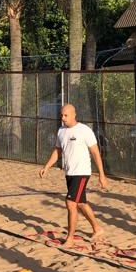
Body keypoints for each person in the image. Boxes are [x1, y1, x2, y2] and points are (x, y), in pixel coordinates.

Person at [39, 104, 109, 247]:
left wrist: (101, 175)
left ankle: (70, 238)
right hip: (69, 172)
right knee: (81, 203)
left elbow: (95, 153)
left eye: (66, 115)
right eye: (62, 115)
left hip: (82, 173)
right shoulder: (61, 131)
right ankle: (97, 228)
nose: (63, 118)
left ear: (74, 115)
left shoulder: (84, 130)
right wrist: (47, 166)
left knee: (71, 203)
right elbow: (58, 151)